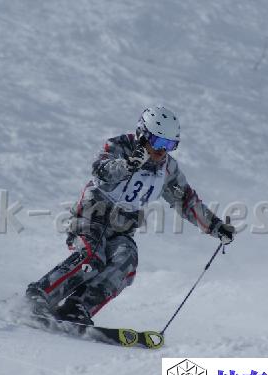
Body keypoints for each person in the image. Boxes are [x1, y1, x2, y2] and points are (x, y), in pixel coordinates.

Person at [26, 106, 235, 326]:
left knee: (126, 262)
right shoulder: (120, 146)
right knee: (92, 257)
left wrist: (215, 226)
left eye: (169, 145)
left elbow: (186, 201)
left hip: (122, 228)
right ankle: (40, 295)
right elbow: (100, 169)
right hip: (92, 217)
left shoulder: (167, 169)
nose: (162, 150)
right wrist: (126, 165)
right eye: (158, 142)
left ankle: (77, 307)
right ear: (143, 134)